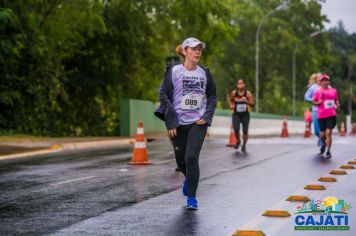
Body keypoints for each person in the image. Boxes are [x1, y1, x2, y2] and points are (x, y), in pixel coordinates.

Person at [154, 37, 217, 210]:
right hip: (178, 124)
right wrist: (171, 122)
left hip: (198, 123)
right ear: (184, 51)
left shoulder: (205, 73)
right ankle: (188, 179)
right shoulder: (174, 71)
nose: (198, 52)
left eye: (200, 49)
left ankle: (192, 198)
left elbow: (212, 96)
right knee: (181, 162)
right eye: (194, 48)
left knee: (191, 158)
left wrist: (207, 115)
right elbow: (163, 95)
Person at [312, 74, 340, 158]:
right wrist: (318, 103)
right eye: (323, 80)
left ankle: (328, 151)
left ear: (329, 82)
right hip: (321, 115)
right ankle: (323, 144)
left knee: (329, 133)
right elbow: (313, 101)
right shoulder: (317, 92)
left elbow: (336, 100)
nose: (324, 82)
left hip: (331, 114)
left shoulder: (333, 91)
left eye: (326, 80)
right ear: (320, 82)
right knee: (322, 134)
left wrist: (338, 104)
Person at [228, 79, 254, 152]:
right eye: (239, 84)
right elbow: (230, 100)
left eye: (241, 83)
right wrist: (231, 105)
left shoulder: (248, 94)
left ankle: (244, 145)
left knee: (245, 131)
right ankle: (238, 141)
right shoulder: (234, 93)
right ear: (237, 85)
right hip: (236, 114)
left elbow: (252, 104)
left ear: (244, 85)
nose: (240, 85)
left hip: (245, 115)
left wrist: (247, 101)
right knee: (236, 129)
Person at [304, 73, 322, 146]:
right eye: (318, 77)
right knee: (317, 132)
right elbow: (306, 97)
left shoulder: (327, 87)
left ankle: (323, 143)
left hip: (325, 111)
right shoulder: (313, 88)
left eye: (321, 76)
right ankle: (320, 138)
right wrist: (313, 101)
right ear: (316, 79)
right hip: (316, 110)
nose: (319, 78)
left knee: (325, 130)